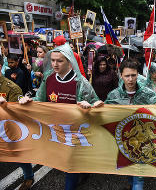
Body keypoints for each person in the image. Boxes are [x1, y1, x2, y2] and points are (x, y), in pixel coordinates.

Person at [18, 43, 104, 190]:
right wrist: (28, 101)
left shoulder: (80, 82)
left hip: (75, 132)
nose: (55, 64)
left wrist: (92, 104)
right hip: (55, 131)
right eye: (52, 60)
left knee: (70, 166)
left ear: (69, 61)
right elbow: (40, 100)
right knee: (61, 162)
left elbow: (96, 101)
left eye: (59, 60)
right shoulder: (48, 79)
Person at [105, 59, 156, 190]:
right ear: (121, 75)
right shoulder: (113, 95)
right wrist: (95, 106)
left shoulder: (148, 94)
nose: (130, 79)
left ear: (138, 75)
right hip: (123, 142)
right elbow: (104, 114)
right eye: (127, 76)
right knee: (128, 170)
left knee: (138, 178)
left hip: (143, 142)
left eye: (133, 75)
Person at [0, 55, 35, 190]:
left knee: (17, 154)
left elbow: (16, 115)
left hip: (7, 129)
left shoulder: (12, 88)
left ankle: (28, 177)